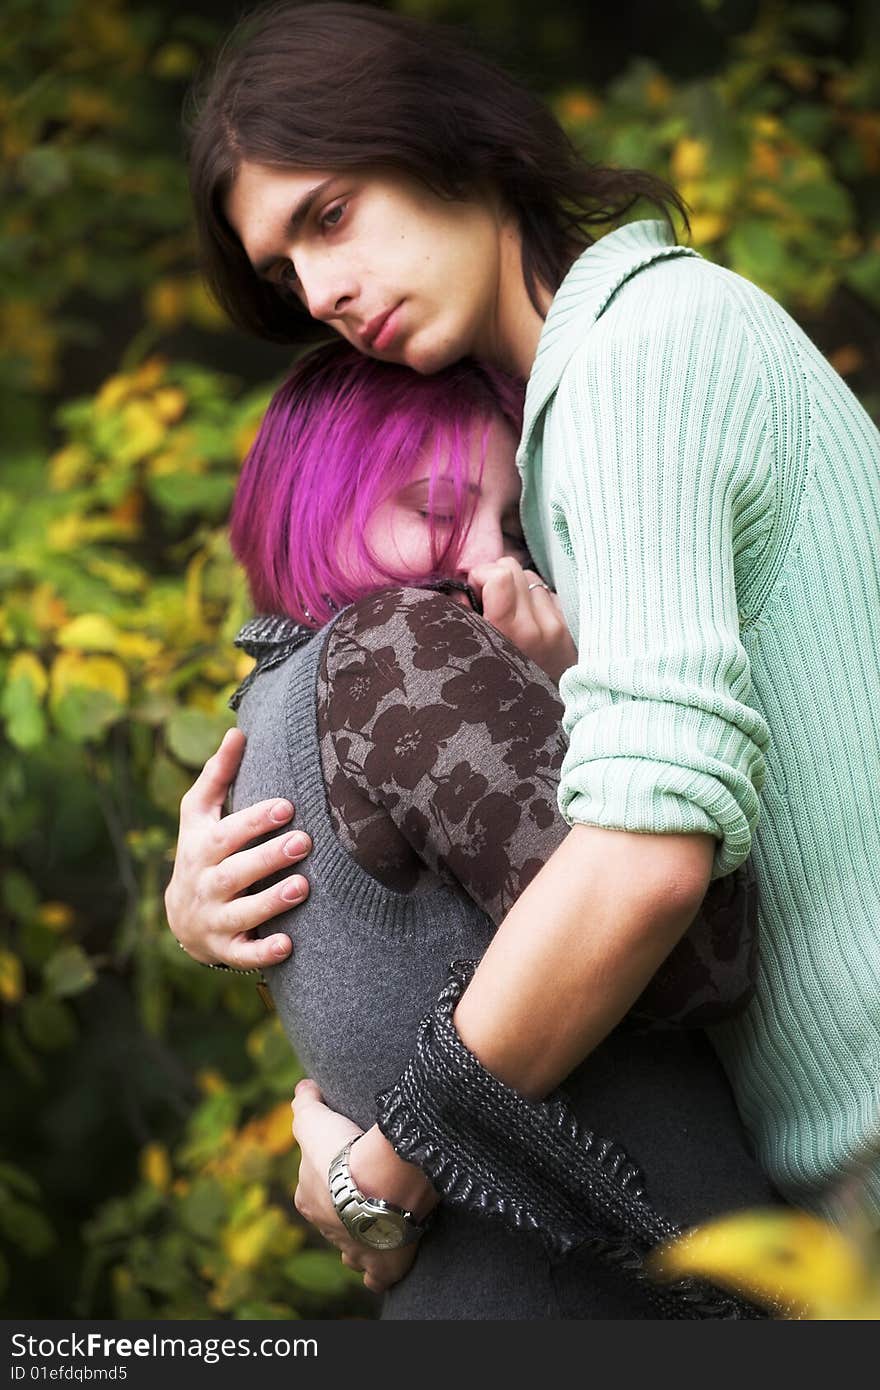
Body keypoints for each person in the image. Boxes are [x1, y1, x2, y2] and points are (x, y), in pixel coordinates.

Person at [167, 0, 880, 1283]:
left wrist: (382, 1171)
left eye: (329, 216)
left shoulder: (639, 359)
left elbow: (641, 868)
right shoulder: (543, 453)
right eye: (284, 272)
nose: (319, 291)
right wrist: (213, 887)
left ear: (458, 147)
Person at [213, 337, 770, 1317]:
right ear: (318, 499)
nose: (483, 563)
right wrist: (579, 693)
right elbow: (700, 960)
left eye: (508, 527)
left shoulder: (268, 705)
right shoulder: (398, 646)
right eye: (429, 511)